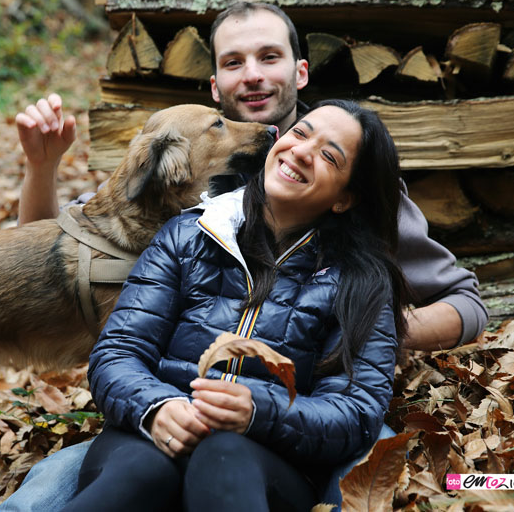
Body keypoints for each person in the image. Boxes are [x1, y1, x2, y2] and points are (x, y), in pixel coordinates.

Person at [0, 2, 488, 511]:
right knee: (58, 488)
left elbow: (462, 306)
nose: (252, 75)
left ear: (300, 72)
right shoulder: (184, 188)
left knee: (372, 466)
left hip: (286, 427)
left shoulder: (362, 210)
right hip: (162, 413)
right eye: (233, 62)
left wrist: (365, 332)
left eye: (269, 57)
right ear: (215, 86)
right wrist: (42, 166)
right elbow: (62, 252)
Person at [59, 99, 407, 511]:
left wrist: (262, 411)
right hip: (151, 436)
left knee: (223, 456)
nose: (300, 151)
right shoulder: (187, 235)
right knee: (139, 469)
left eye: (328, 155)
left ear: (344, 199)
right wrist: (156, 406)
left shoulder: (359, 282)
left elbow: (356, 410)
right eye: (300, 133)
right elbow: (118, 352)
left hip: (269, 463)